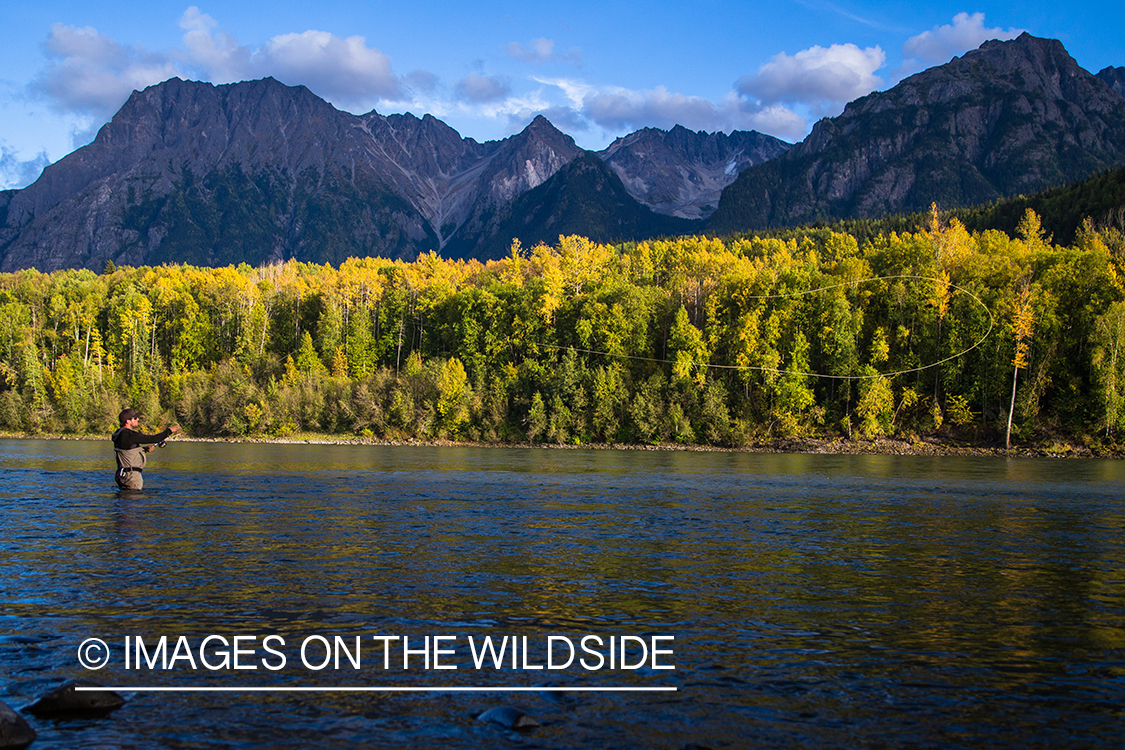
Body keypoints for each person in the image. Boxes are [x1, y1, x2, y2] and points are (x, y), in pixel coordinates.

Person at [111, 408, 181, 490]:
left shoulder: (120, 434)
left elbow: (127, 450)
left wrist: (143, 450)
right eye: (135, 418)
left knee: (124, 499)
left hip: (122, 475)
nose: (138, 419)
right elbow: (154, 439)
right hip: (131, 477)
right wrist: (170, 430)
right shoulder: (129, 435)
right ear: (128, 421)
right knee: (133, 500)